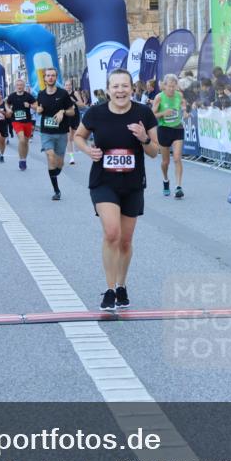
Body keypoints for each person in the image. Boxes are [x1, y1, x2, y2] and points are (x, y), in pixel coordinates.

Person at [73, 69, 159, 310]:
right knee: (112, 233)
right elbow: (79, 136)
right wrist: (88, 150)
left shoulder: (144, 113)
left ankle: (122, 285)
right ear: (108, 89)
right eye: (115, 86)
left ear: (132, 88)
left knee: (125, 240)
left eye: (125, 86)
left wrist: (143, 138)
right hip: (103, 181)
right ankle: (110, 289)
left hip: (132, 184)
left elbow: (155, 152)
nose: (120, 90)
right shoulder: (96, 113)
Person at [34, 67, 76, 200]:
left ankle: (55, 171)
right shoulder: (41, 94)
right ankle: (56, 190)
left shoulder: (63, 94)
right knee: (50, 156)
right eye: (48, 76)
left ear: (56, 77)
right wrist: (38, 110)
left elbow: (72, 112)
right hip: (46, 132)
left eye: (53, 75)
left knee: (59, 163)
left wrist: (63, 111)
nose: (50, 78)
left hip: (61, 132)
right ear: (44, 78)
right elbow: (39, 109)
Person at [152, 73, 187, 198]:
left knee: (177, 158)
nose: (172, 89)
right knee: (165, 162)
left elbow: (183, 105)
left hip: (177, 128)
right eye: (170, 86)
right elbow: (152, 115)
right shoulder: (159, 98)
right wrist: (163, 113)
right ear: (164, 86)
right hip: (164, 129)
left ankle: (178, 187)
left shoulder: (179, 95)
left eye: (174, 86)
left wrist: (185, 111)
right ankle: (166, 180)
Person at [6, 78, 37, 170]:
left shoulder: (28, 96)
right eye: (18, 85)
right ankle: (21, 159)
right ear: (16, 86)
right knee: (22, 139)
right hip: (16, 121)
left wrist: (30, 105)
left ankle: (24, 160)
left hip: (27, 121)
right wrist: (8, 109)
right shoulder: (12, 96)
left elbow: (37, 106)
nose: (19, 87)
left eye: (21, 85)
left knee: (26, 142)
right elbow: (6, 104)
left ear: (24, 86)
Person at [64, 78, 85, 165]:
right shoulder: (63, 94)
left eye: (69, 85)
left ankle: (75, 147)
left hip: (75, 116)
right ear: (64, 86)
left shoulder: (75, 93)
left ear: (71, 86)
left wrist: (74, 101)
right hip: (67, 116)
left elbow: (82, 105)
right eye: (66, 85)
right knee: (69, 136)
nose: (68, 87)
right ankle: (71, 157)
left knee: (75, 135)